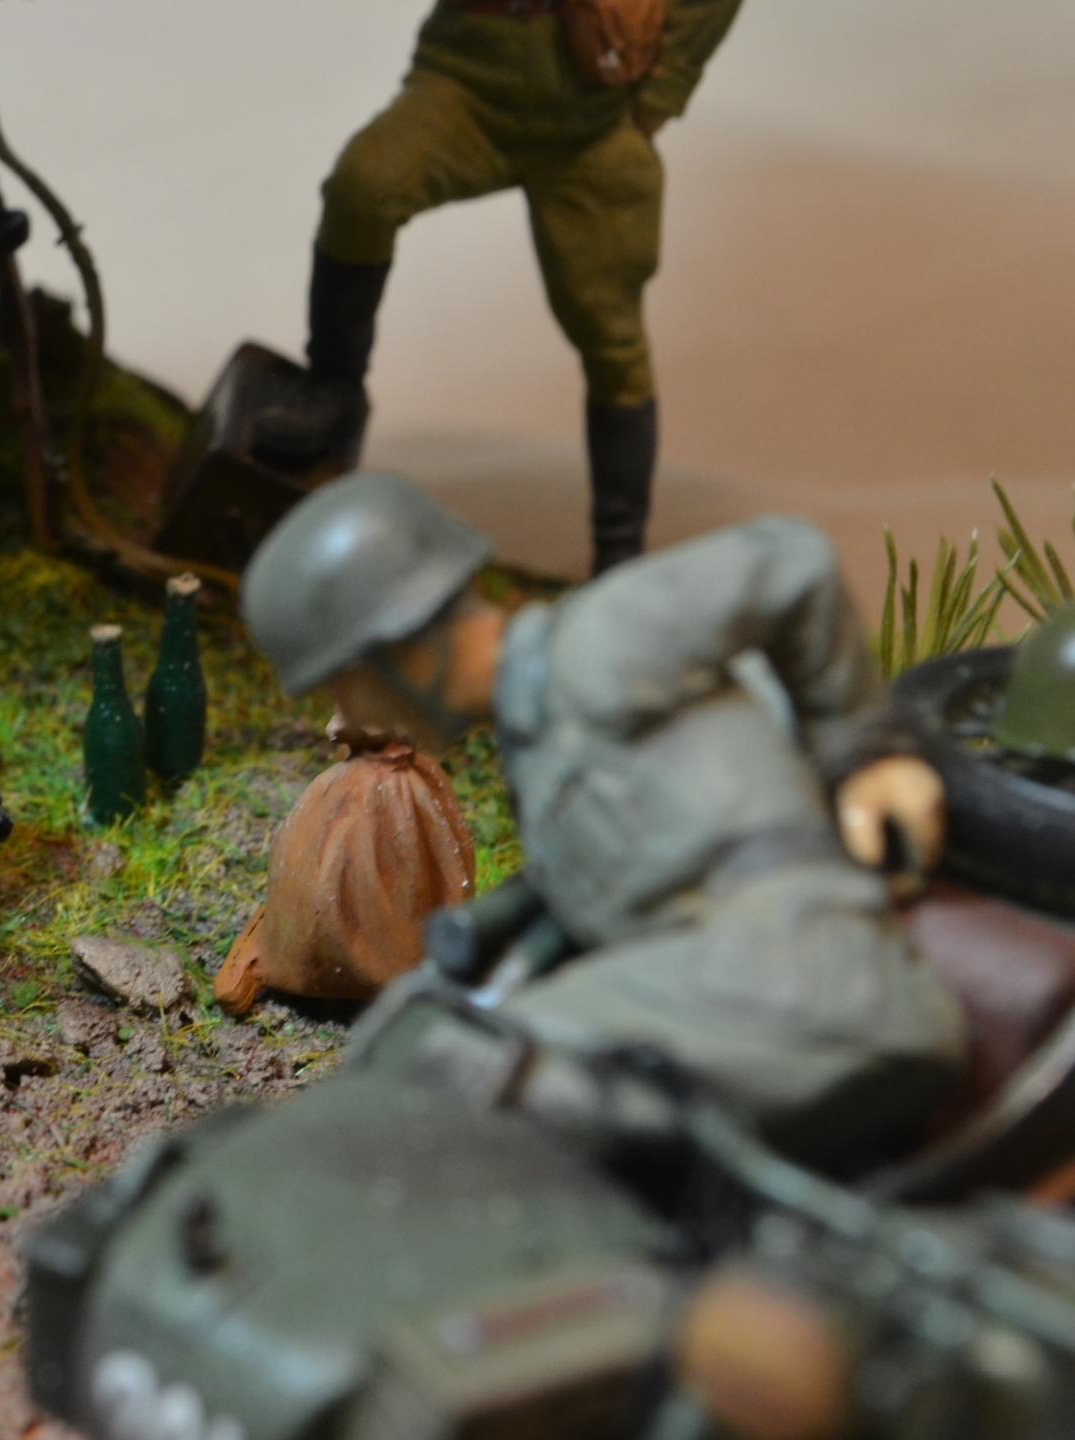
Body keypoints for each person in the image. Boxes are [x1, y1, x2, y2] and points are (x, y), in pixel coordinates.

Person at [241, 473, 965, 1162]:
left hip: (794, 969)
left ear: (403, 651)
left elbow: (791, 560)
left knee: (476, 1072)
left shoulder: (598, 641)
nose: (344, 712)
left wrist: (865, 752)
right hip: (717, 961)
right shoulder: (532, 728)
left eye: (344, 684)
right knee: (432, 1039)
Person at [259, 0, 745, 575]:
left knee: (612, 337)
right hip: (464, 86)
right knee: (364, 187)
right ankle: (333, 383)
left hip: (592, 122)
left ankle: (620, 552)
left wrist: (661, 94)